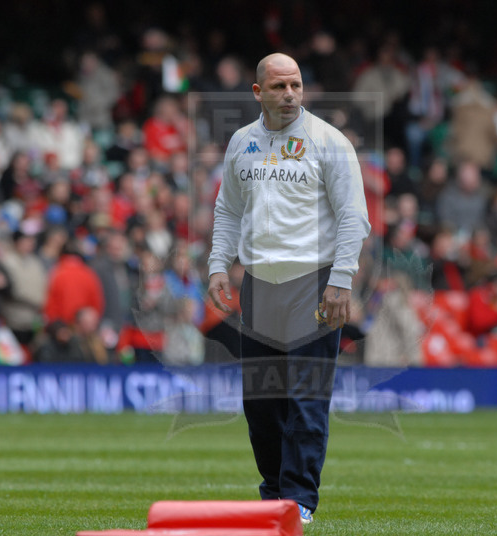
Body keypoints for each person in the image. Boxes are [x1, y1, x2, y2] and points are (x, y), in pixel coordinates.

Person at [207, 53, 370, 525]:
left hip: (314, 281)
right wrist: (219, 266)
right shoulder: (242, 142)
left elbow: (353, 217)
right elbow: (227, 212)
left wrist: (341, 280)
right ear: (258, 92)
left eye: (296, 85)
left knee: (305, 395)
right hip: (260, 283)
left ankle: (299, 501)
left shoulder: (329, 142)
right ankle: (273, 494)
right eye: (278, 87)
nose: (290, 95)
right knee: (260, 400)